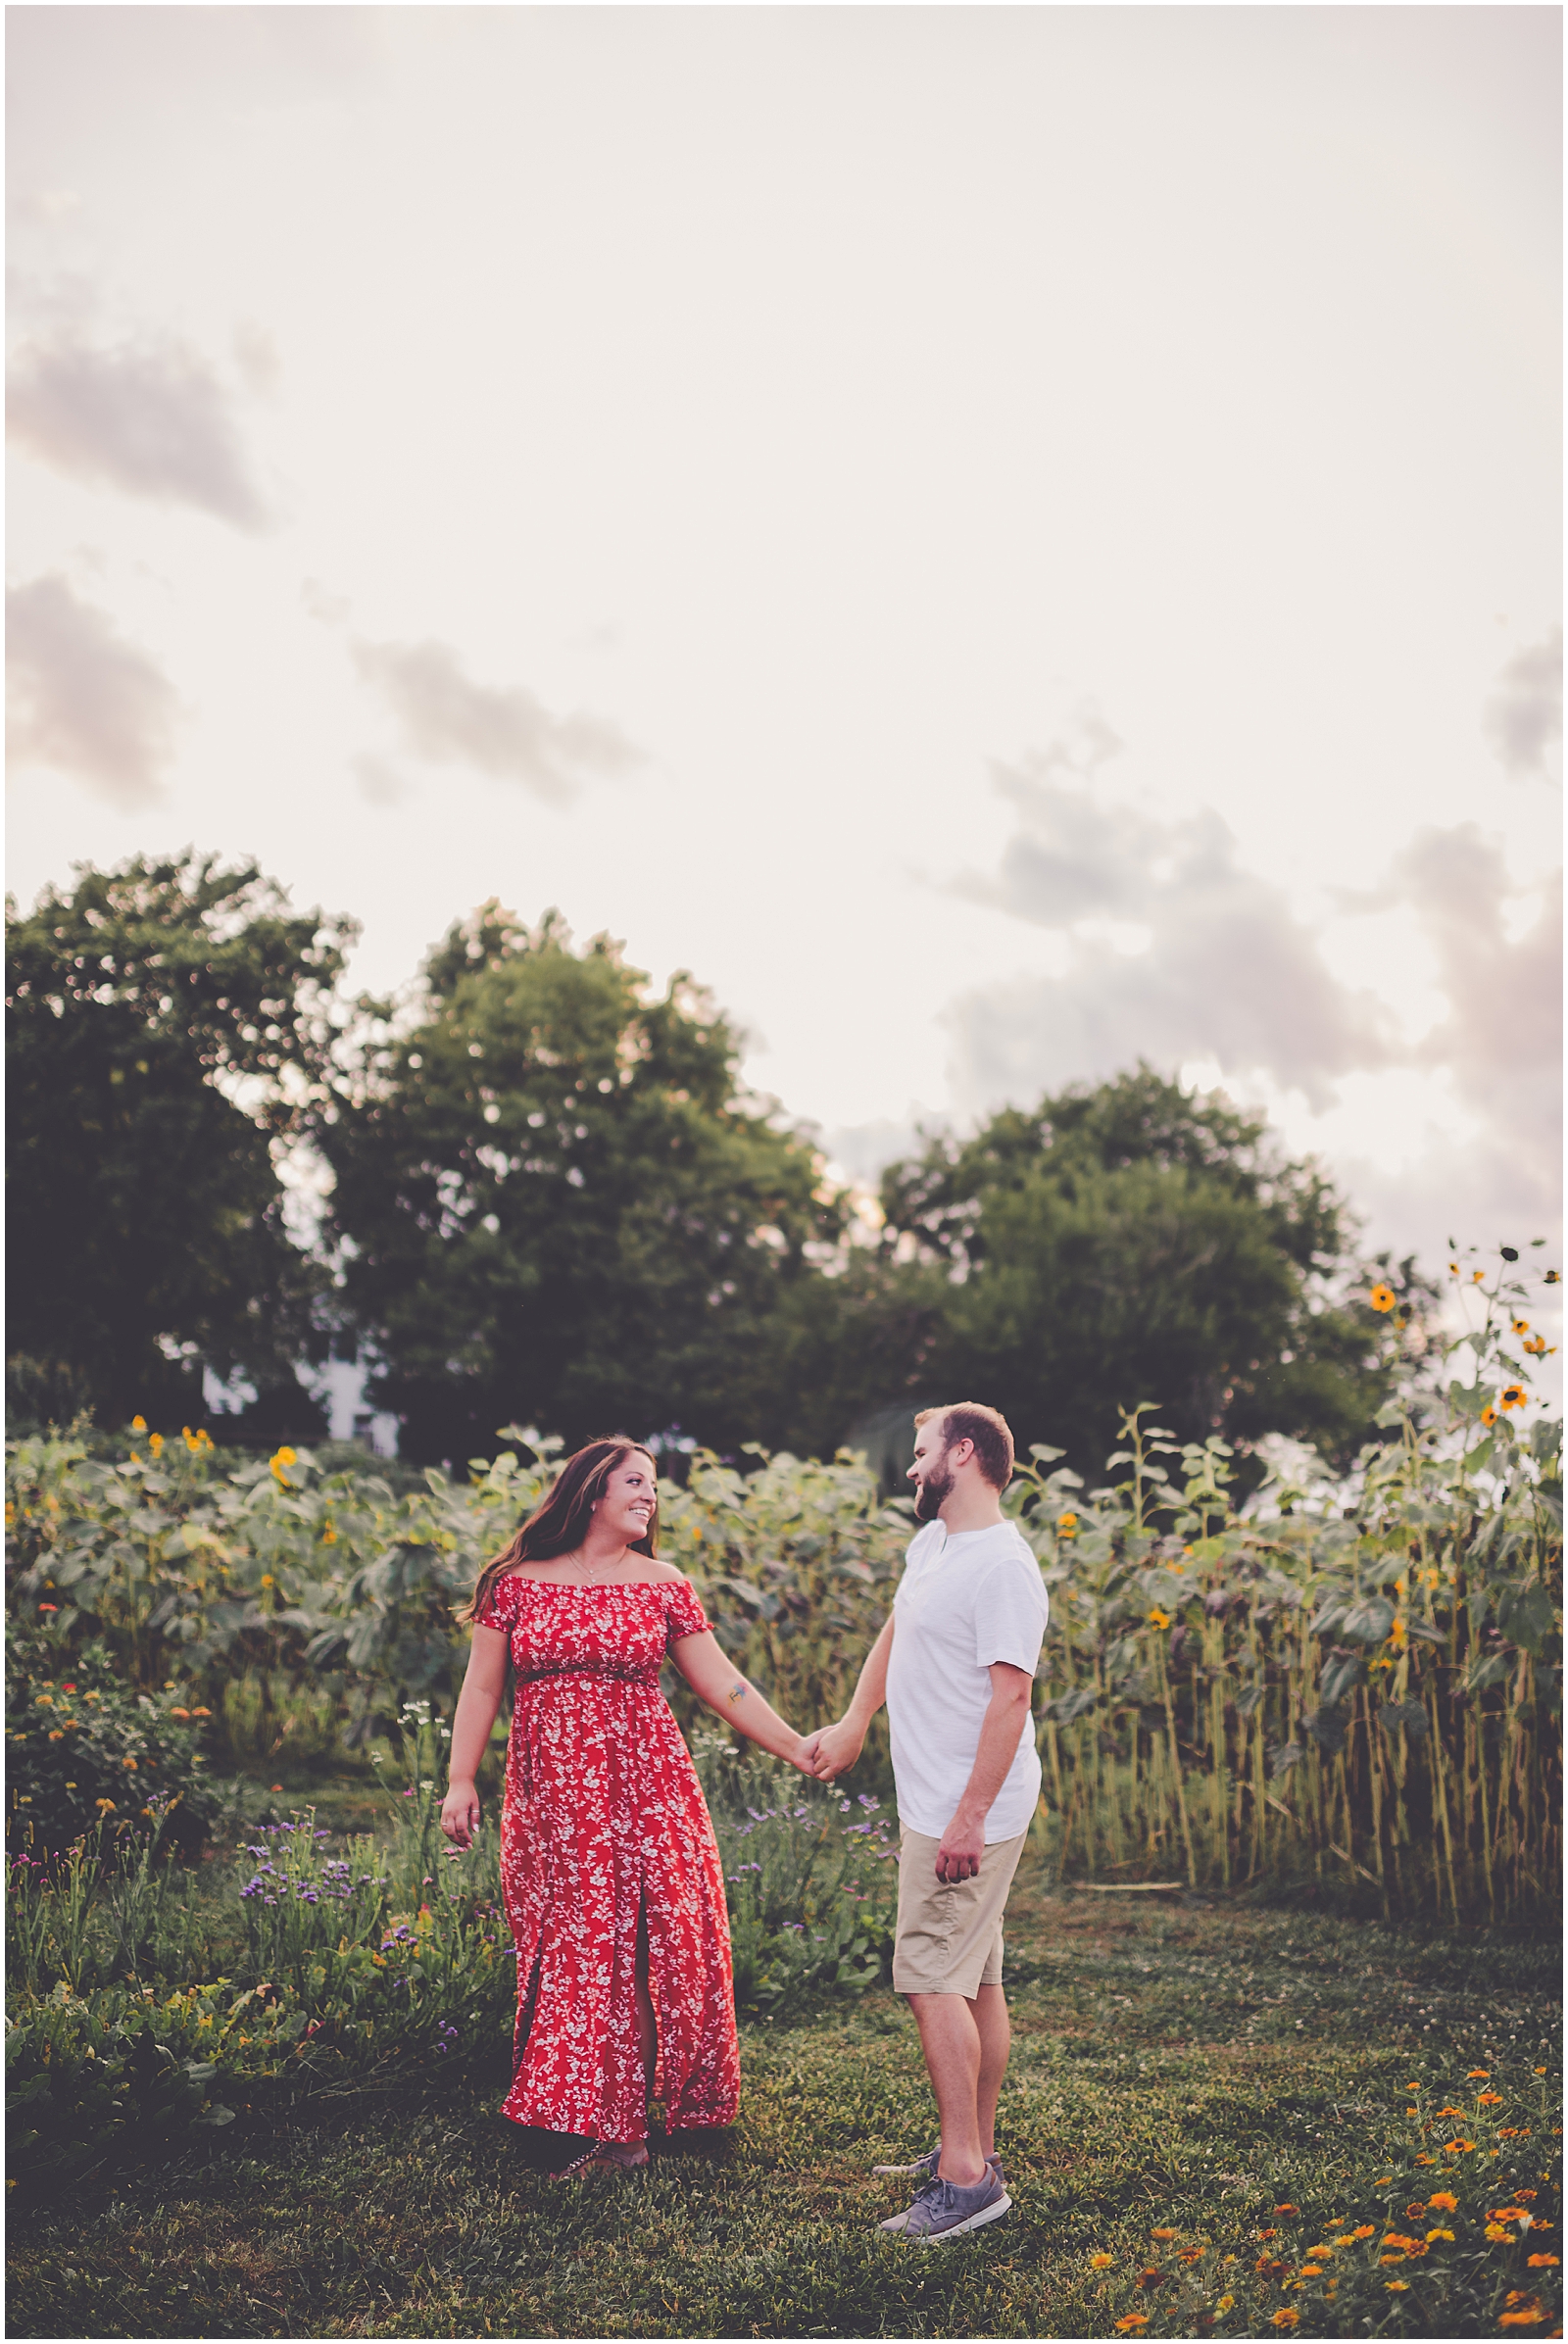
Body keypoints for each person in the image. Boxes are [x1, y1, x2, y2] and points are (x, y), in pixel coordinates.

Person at [440, 1436, 816, 2173]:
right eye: (635, 1483)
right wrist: (461, 1779)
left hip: (648, 1787)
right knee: (581, 1942)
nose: (650, 1496)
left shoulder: (663, 1582)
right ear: (591, 1493)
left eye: (653, 1486)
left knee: (652, 1937)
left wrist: (795, 1745)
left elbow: (723, 1683)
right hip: (554, 1798)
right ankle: (590, 2112)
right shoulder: (514, 1583)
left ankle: (626, 2128)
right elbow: (482, 1687)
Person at [807, 1402, 1047, 2243]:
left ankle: (965, 2179)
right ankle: (969, 2146)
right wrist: (854, 1719)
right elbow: (899, 1628)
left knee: (927, 1975)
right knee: (974, 1975)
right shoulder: (934, 1543)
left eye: (921, 1453)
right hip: (936, 1798)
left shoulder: (1005, 1569)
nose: (910, 1469)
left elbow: (1012, 1699)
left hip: (966, 1806)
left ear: (966, 1452)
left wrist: (968, 1819)